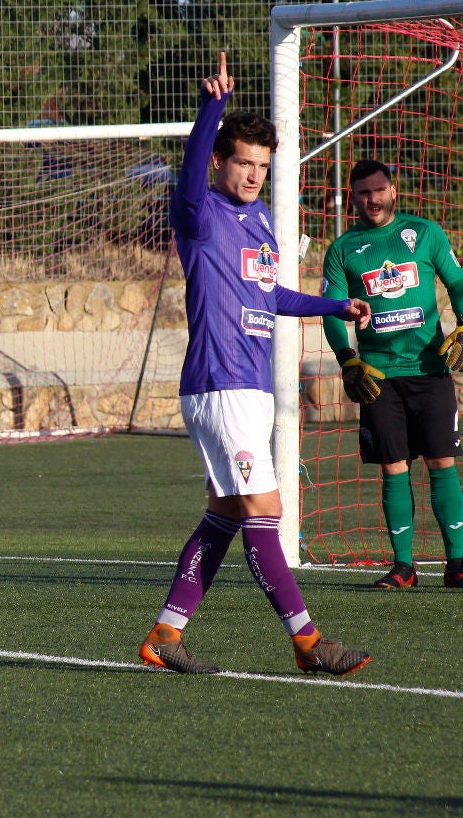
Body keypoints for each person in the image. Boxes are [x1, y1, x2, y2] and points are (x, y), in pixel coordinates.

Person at [139, 52, 374, 676]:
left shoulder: (263, 220)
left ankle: (166, 634)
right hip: (220, 385)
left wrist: (335, 304)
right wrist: (211, 108)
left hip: (250, 388)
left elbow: (271, 296)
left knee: (224, 515)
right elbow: (190, 174)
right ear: (220, 160)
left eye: (261, 166)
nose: (252, 174)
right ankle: (307, 641)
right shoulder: (198, 214)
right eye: (242, 162)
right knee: (264, 512)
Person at [320, 159, 463, 589]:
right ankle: (404, 567)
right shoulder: (342, 249)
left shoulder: (423, 234)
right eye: (364, 192)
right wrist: (347, 358)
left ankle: (458, 562)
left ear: (393, 190)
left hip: (430, 369)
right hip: (377, 377)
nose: (373, 199)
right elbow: (332, 311)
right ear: (353, 196)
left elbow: (457, 283)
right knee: (393, 468)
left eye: (379, 190)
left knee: (443, 463)